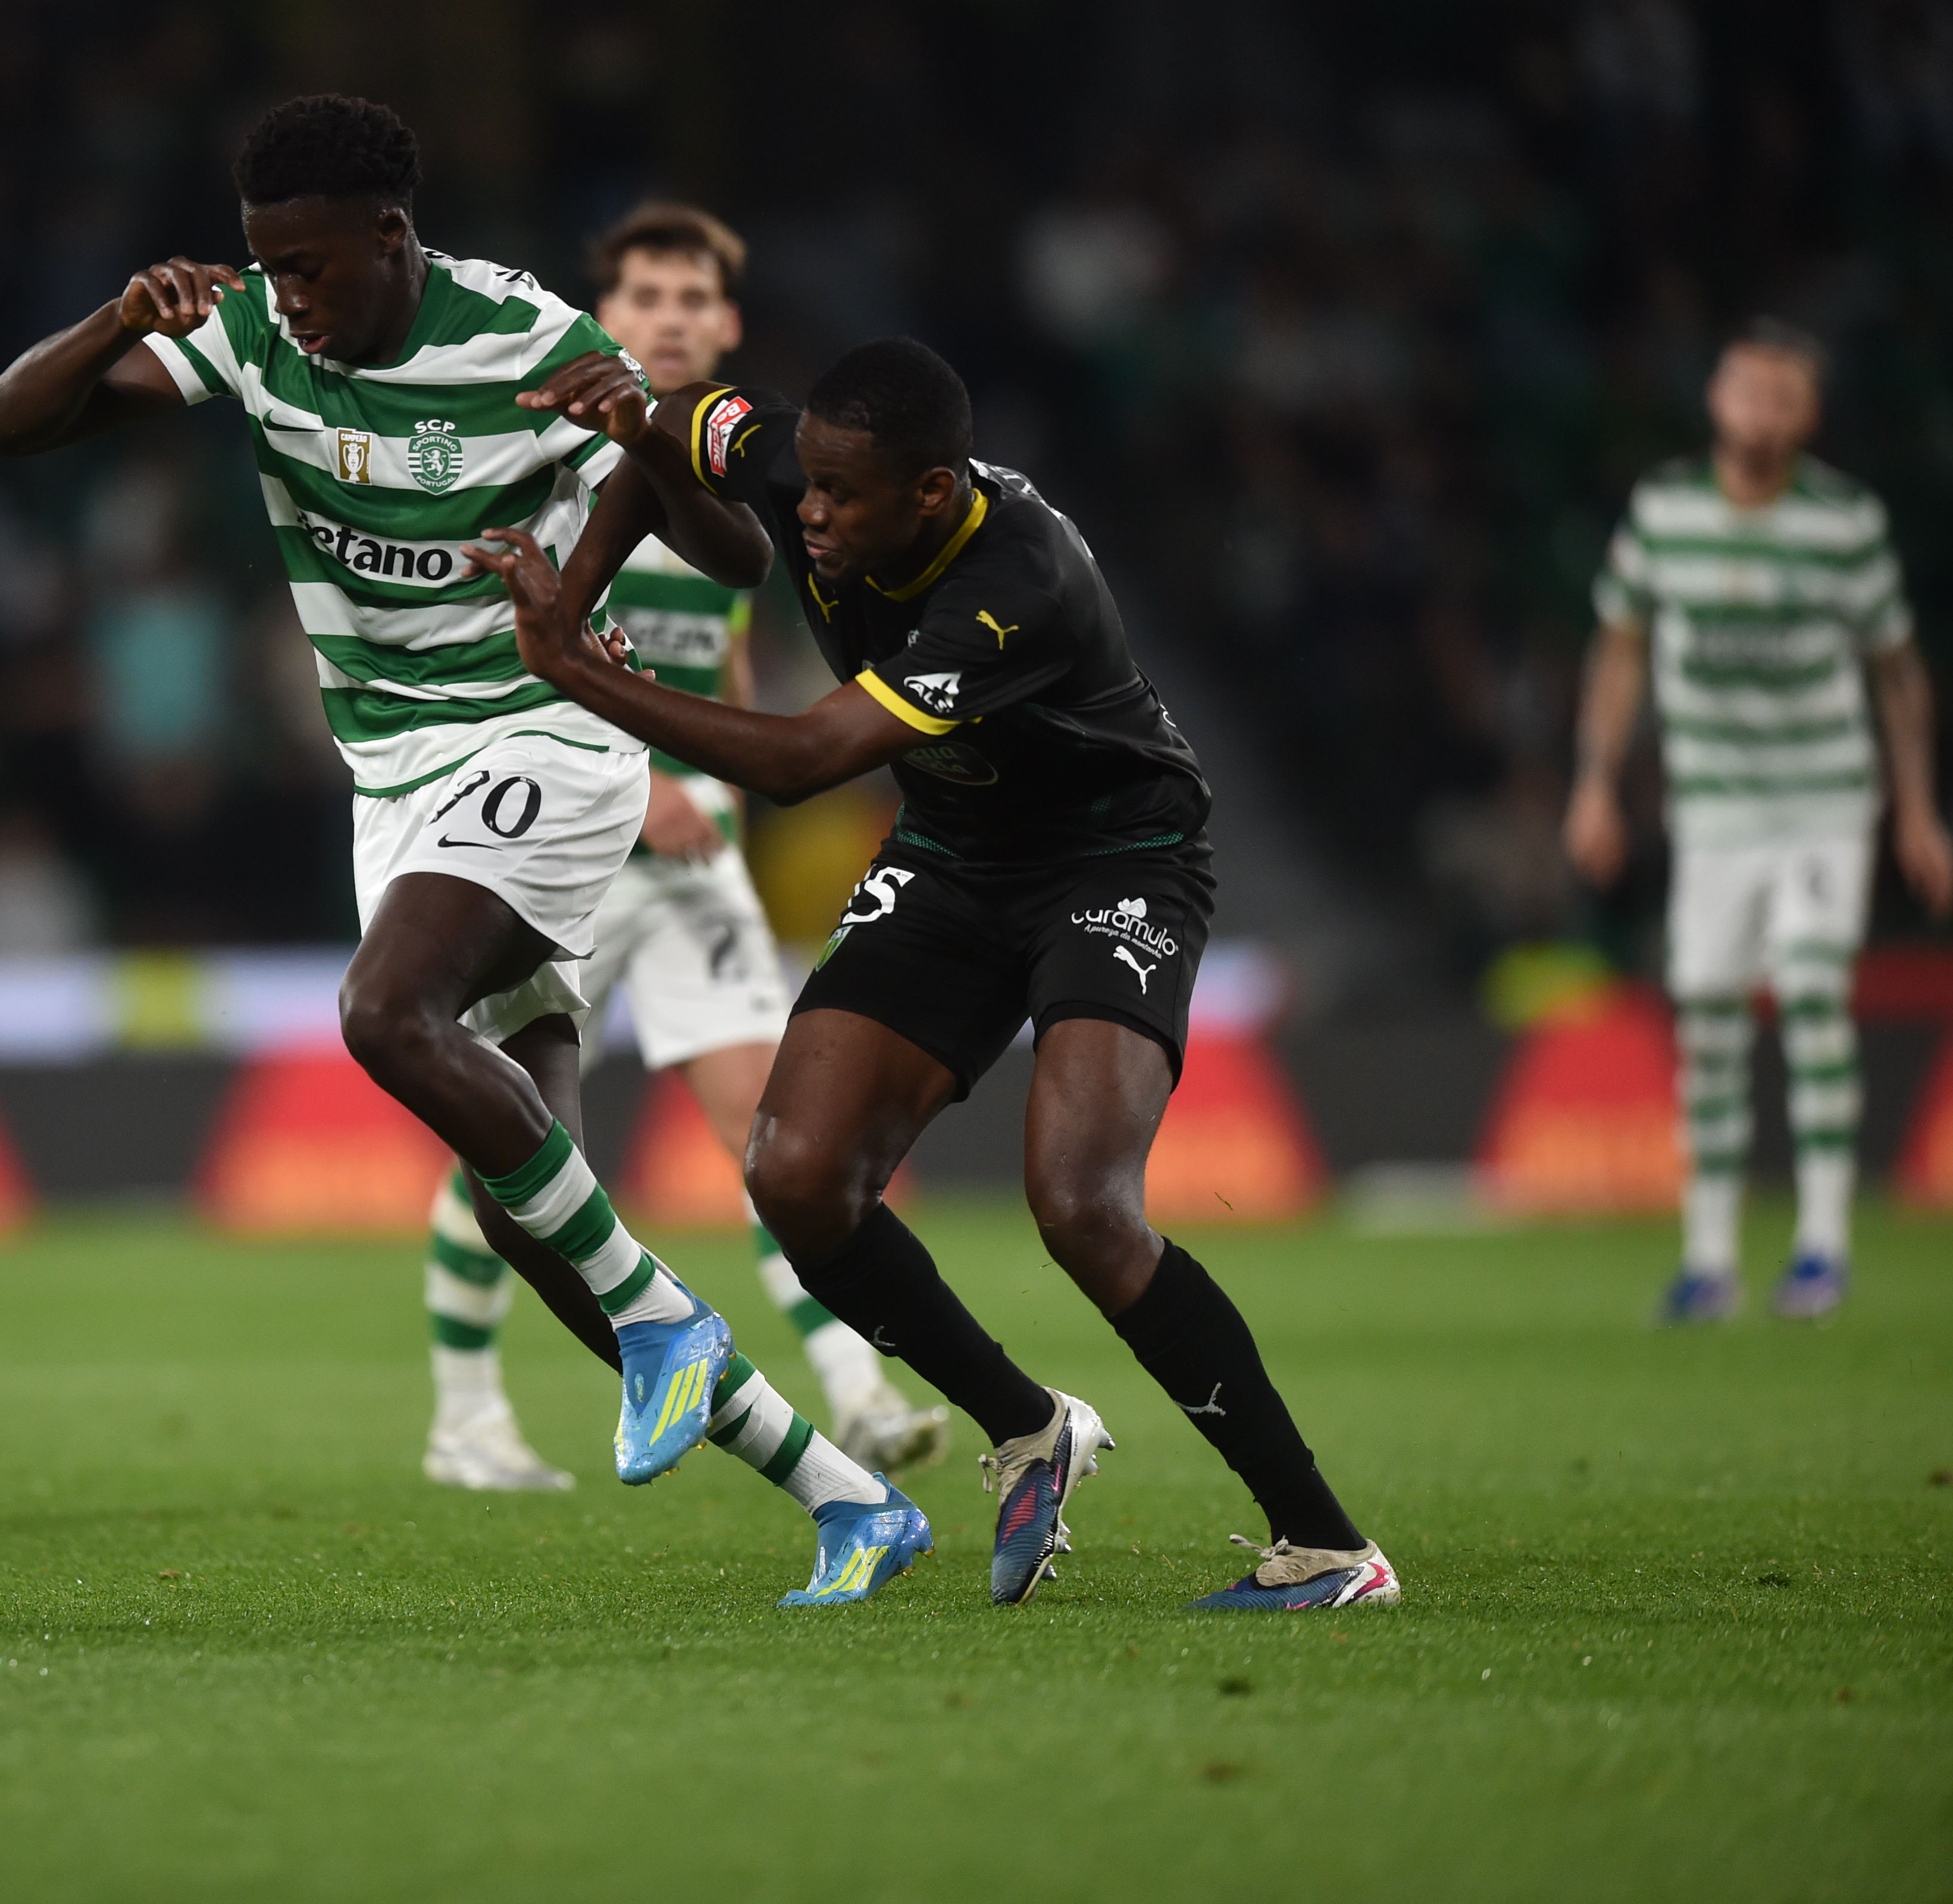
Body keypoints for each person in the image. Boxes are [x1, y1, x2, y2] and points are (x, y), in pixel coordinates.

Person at [0, 96, 926, 1606]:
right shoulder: (256, 336)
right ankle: (844, 1495)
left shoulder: (524, 338)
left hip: (547, 739)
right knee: (527, 1201)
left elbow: (742, 554)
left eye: (311, 266)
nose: (288, 296)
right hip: (396, 782)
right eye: (264, 266)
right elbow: (4, 426)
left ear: (392, 238)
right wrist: (113, 317)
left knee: (380, 1012)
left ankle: (669, 1335)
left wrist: (642, 440)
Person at [473, 336, 1399, 1610]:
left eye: (840, 498)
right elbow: (666, 425)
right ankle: (1028, 1425)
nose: (808, 511)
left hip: (1112, 857)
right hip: (956, 855)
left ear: (929, 492)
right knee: (797, 1175)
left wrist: (573, 670)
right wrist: (580, 576)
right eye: (806, 484)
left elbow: (805, 760)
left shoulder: (1018, 582)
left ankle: (1328, 1546)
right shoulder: (803, 454)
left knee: (1080, 1202)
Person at [419, 202, 944, 1492]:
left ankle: (861, 1393)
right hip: (558, 841)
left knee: (769, 1127)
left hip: (691, 854)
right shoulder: (546, 445)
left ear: (726, 324)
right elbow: (503, 641)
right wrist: (645, 771)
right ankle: (467, 1410)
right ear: (605, 316)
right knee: (522, 1137)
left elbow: (724, 655)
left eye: (688, 297)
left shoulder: (748, 473)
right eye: (642, 294)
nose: (666, 315)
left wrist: (731, 774)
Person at [1567, 320, 1951, 1323]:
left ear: (1809, 415)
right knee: (1709, 1015)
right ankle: (1711, 1260)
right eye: (1746, 390)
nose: (1760, 410)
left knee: (1816, 992)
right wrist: (1594, 782)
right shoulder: (1665, 513)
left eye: (1782, 396)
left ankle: (1822, 1249)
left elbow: (1897, 671)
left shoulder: (1845, 522)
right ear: (1716, 400)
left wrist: (1918, 810)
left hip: (1825, 798)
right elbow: (1620, 649)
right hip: (1715, 810)